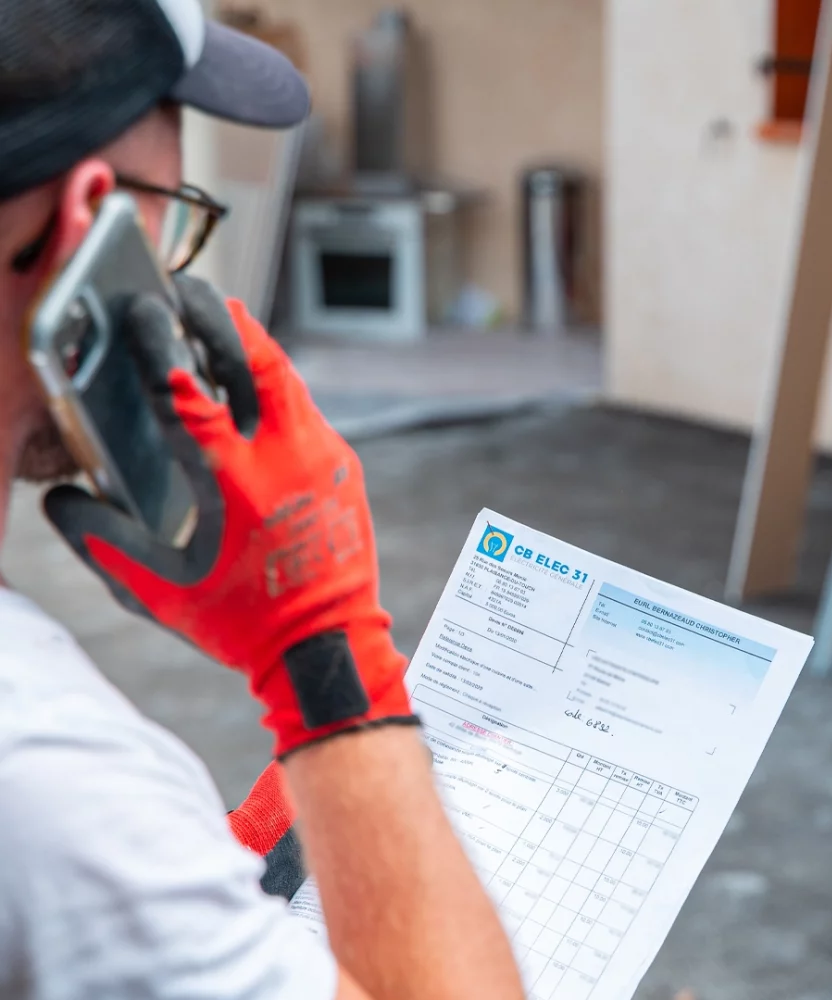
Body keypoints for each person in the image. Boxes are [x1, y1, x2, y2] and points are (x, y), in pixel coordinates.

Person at [0, 1, 526, 998]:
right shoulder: (51, 790)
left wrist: (192, 897)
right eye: (173, 210)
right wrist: (324, 661)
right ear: (86, 228)